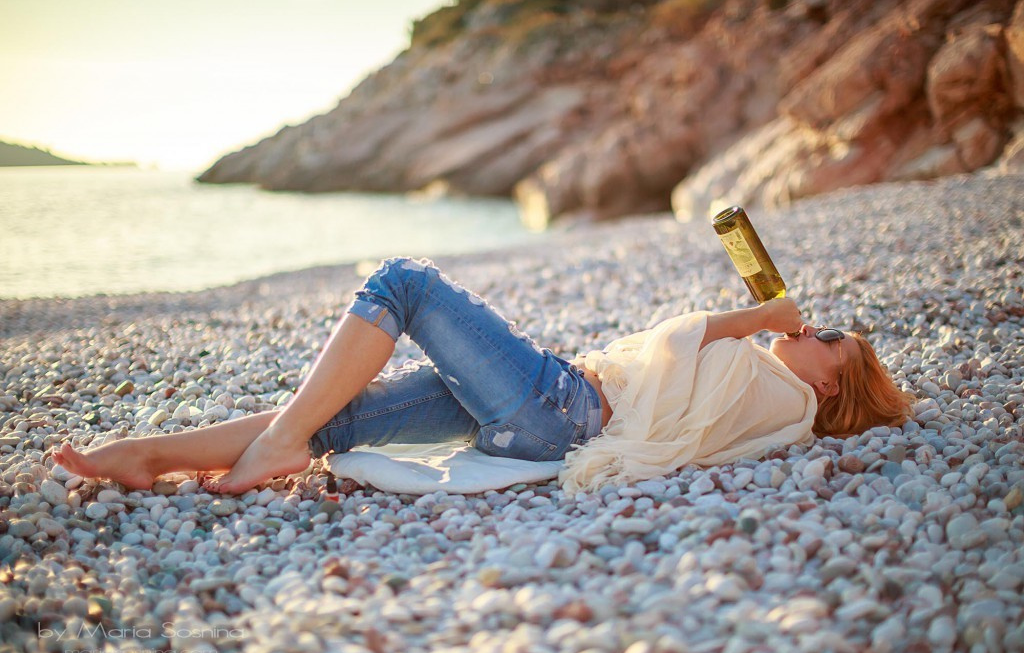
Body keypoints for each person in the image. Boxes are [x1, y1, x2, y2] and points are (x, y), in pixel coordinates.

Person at [52, 256, 915, 495]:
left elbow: (671, 345)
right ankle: (155, 456)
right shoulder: (774, 402)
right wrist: (763, 325)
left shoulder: (782, 395)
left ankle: (275, 442)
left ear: (831, 386)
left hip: (559, 407)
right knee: (340, 418)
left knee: (405, 283)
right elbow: (674, 381)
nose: (813, 331)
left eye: (830, 340)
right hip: (546, 416)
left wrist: (759, 318)